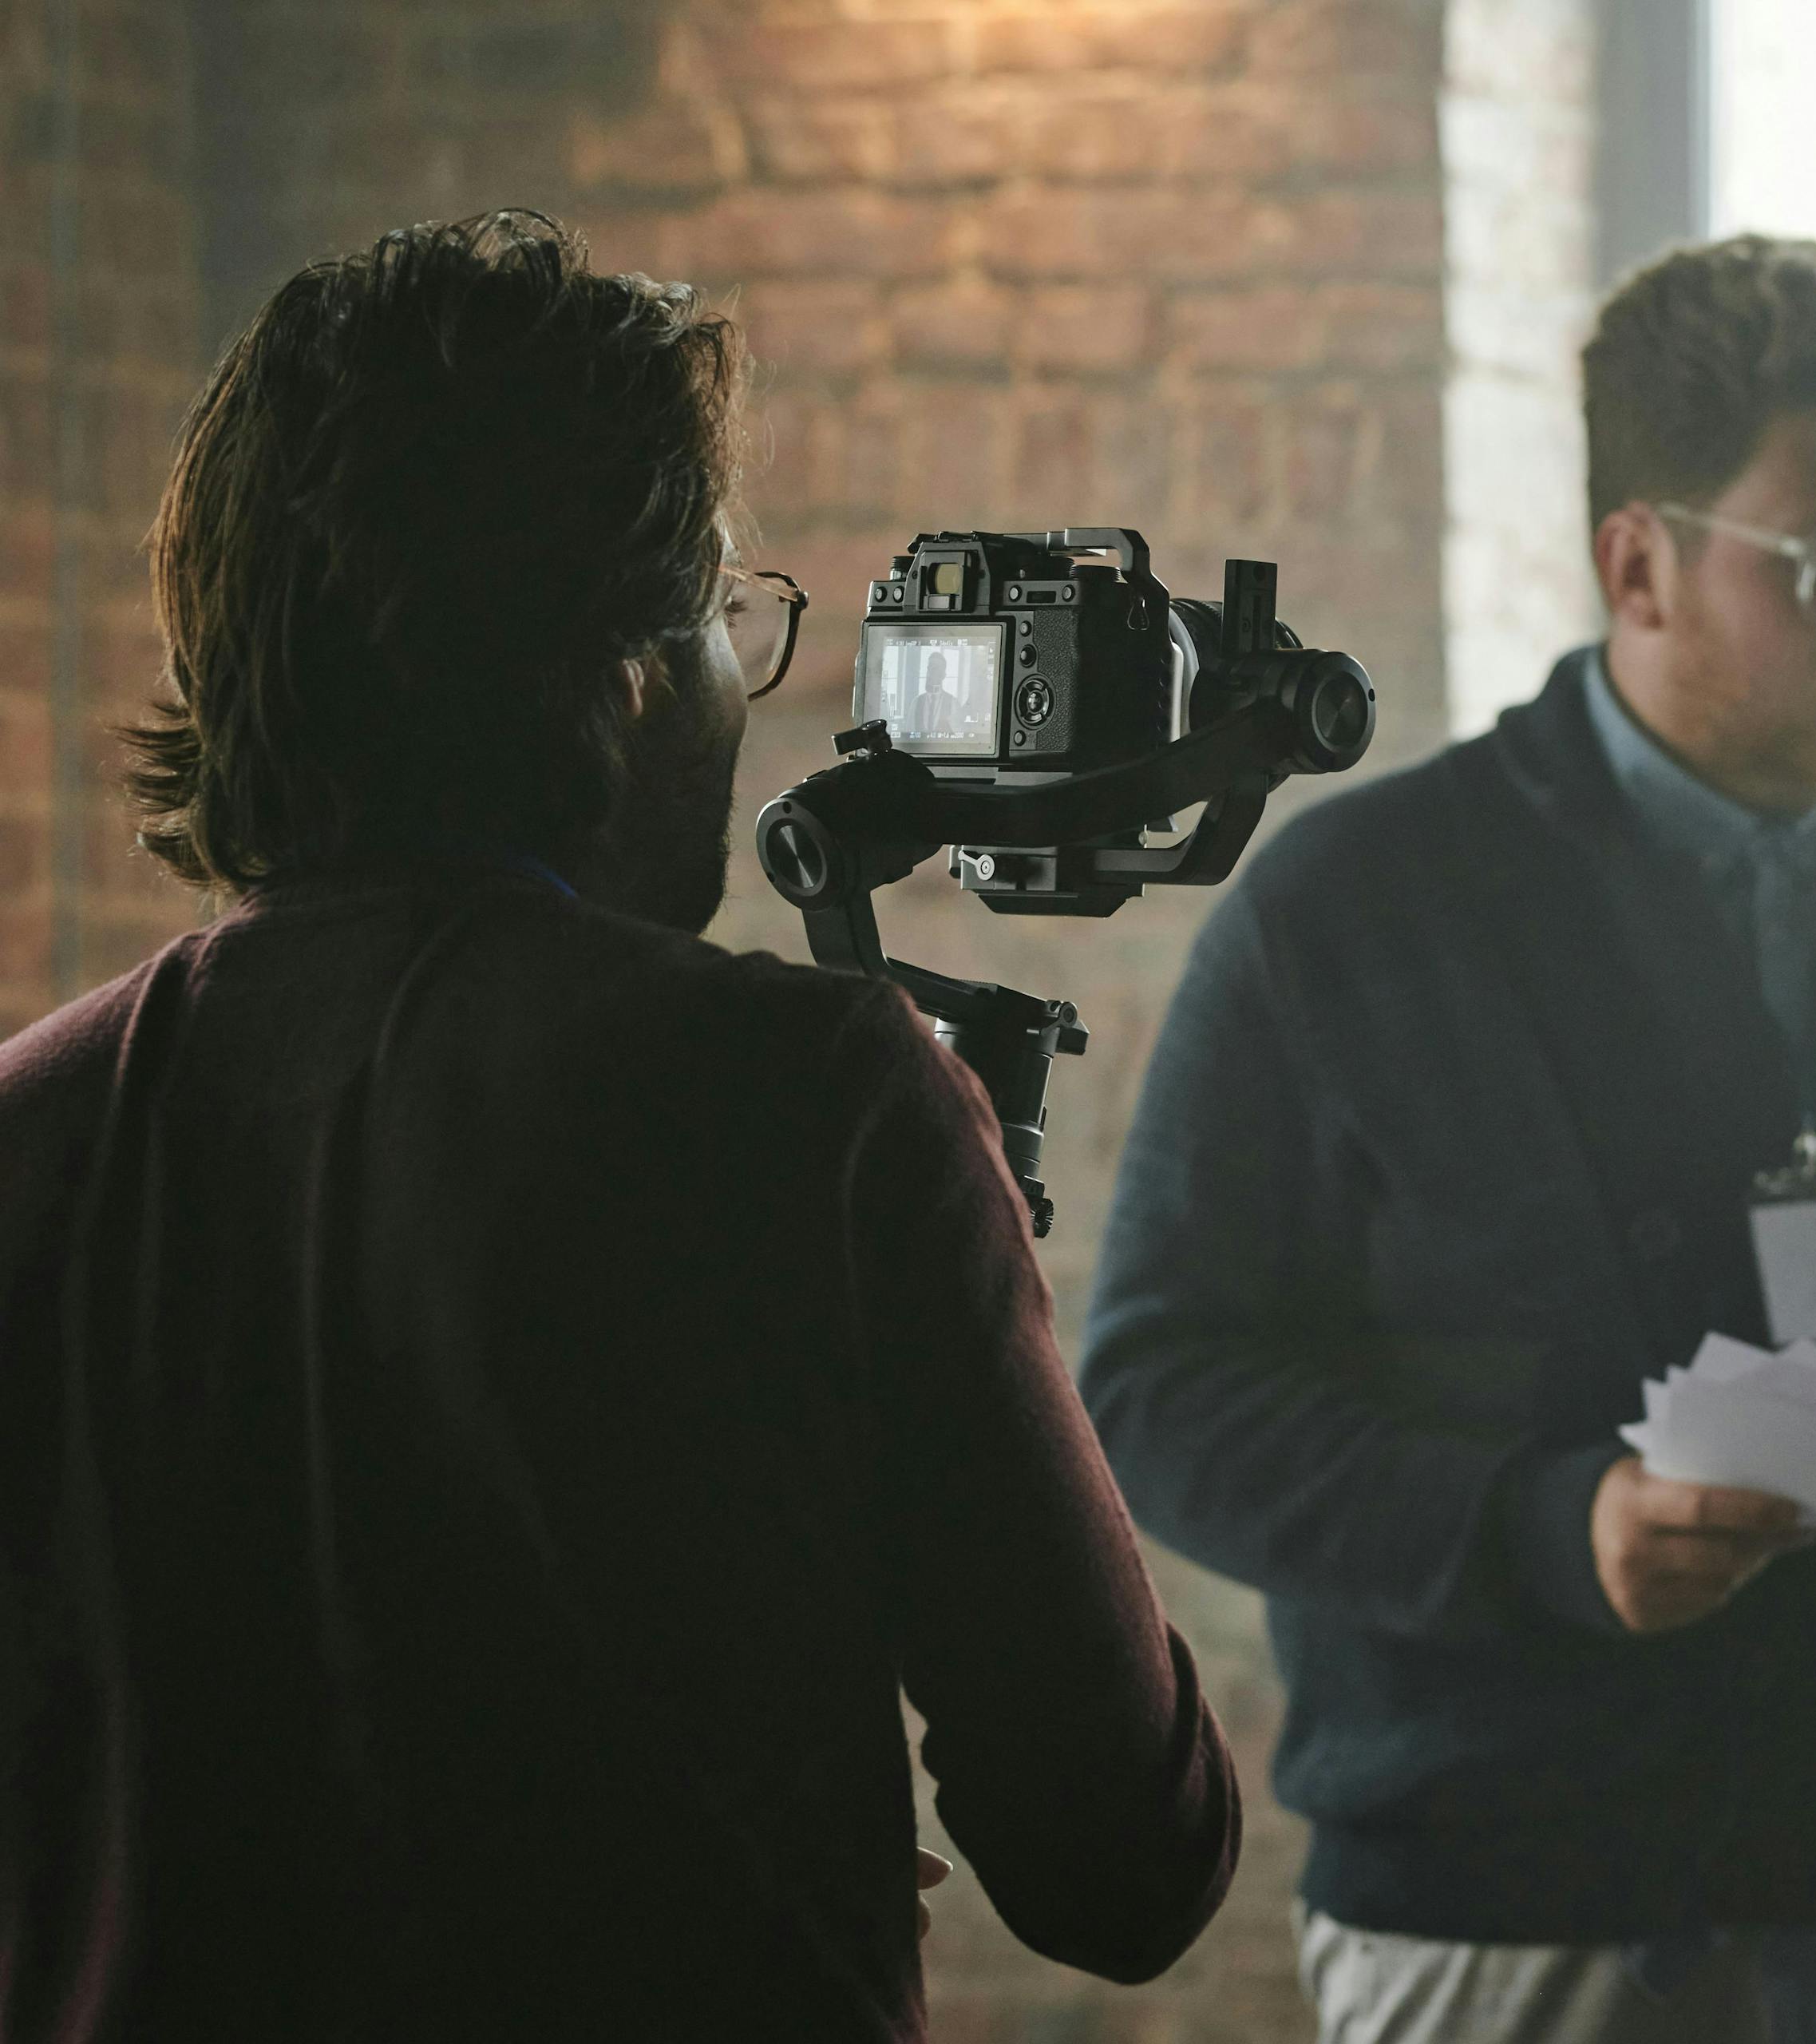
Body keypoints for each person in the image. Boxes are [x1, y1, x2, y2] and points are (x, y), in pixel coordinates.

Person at [0, 213, 1237, 2042]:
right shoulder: (811, 1099)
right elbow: (1122, 1859)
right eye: (728, 611)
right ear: (624, 664)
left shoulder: (33, 1127)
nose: (746, 679)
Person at [1080, 235, 1816, 2044]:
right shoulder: (1361, 911)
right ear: (1640, 562)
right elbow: (1157, 1390)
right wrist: (1554, 1525)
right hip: (1530, 1899)